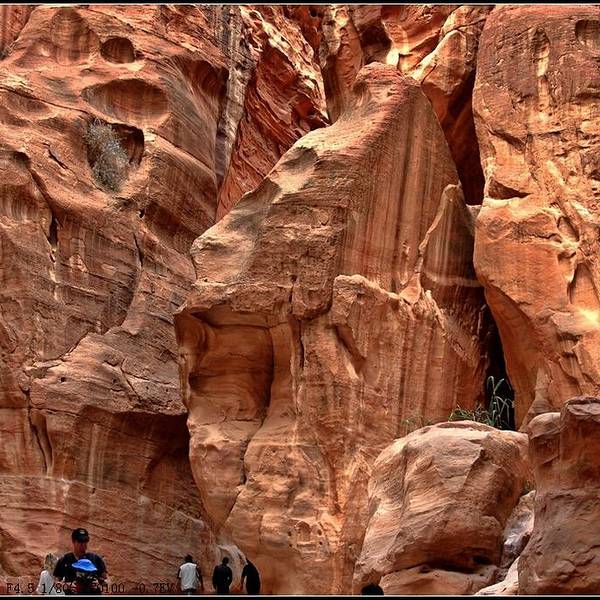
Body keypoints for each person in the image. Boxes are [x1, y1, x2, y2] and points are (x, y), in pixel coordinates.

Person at [54, 528, 107, 595]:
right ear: (73, 541)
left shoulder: (95, 559)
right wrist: (68, 585)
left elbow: (107, 581)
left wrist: (99, 583)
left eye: (85, 541)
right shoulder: (65, 560)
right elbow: (56, 584)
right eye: (80, 541)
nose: (83, 544)